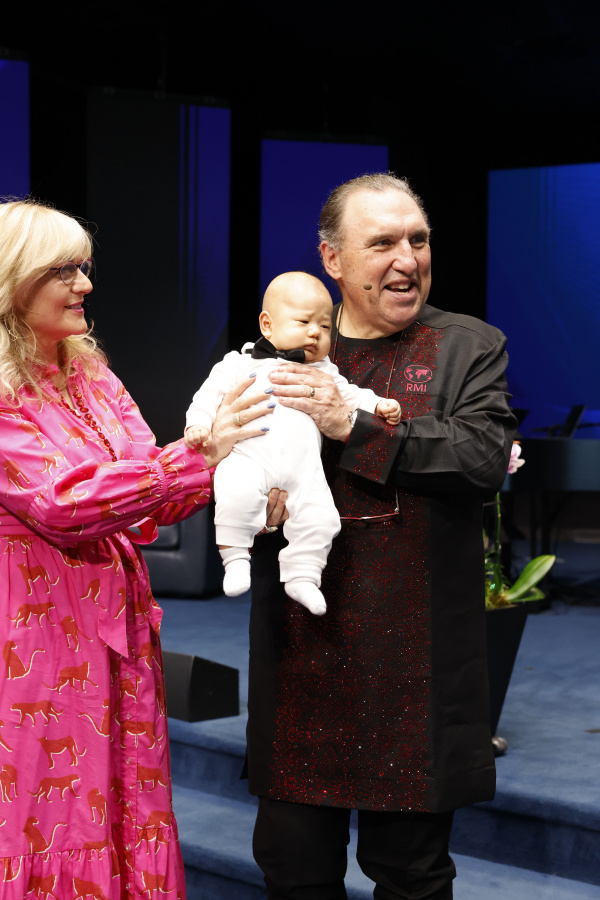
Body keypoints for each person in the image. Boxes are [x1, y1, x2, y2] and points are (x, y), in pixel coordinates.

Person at [246, 174, 517, 899]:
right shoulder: (281, 346)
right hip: (301, 659)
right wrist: (248, 499)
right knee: (293, 870)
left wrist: (353, 425)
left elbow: (481, 457)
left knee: (411, 877)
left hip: (416, 670)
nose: (407, 259)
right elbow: (226, 452)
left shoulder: (467, 346)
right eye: (383, 243)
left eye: (418, 240)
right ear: (332, 259)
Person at [0, 199, 273, 899]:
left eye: (84, 267)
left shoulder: (90, 373)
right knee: (50, 816)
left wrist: (234, 471)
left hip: (119, 641)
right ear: (12, 280)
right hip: (36, 650)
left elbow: (151, 494)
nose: (85, 285)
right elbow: (63, 503)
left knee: (126, 801)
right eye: (63, 270)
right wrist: (193, 458)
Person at [184, 271, 400, 615]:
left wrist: (377, 405)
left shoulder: (324, 371)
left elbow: (350, 395)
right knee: (235, 493)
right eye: (304, 321)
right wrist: (197, 424)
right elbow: (207, 396)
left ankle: (303, 576)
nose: (315, 332)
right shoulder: (239, 363)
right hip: (249, 458)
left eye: (325, 326)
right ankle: (235, 559)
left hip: (304, 470)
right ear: (267, 325)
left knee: (322, 517)